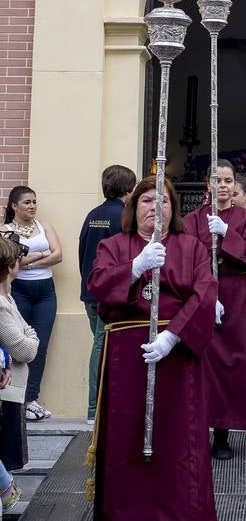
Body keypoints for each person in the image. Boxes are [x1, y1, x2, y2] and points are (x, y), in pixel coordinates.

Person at [87, 176, 218, 521]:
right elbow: (97, 284)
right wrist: (133, 267)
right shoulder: (113, 245)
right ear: (133, 208)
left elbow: (205, 293)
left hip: (174, 356)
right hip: (127, 358)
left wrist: (172, 336)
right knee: (130, 440)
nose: (154, 207)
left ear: (173, 209)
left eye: (162, 200)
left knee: (176, 439)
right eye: (146, 200)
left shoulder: (191, 247)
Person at [184, 160, 246, 460]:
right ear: (207, 184)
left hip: (238, 293)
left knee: (233, 363)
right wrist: (206, 292)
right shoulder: (193, 219)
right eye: (216, 180)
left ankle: (222, 433)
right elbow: (186, 256)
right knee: (201, 362)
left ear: (236, 186)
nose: (222, 185)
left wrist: (228, 234)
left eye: (228, 180)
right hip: (203, 293)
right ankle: (195, 430)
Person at [78, 164, 136, 424]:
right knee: (102, 347)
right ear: (129, 188)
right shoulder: (124, 216)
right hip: (110, 294)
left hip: (90, 291)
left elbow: (82, 253)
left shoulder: (93, 214)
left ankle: (101, 406)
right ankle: (94, 410)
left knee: (100, 345)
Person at [1, 186, 62, 421]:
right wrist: (39, 255)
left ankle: (31, 399)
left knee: (41, 345)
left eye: (34, 202)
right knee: (18, 344)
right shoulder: (4, 230)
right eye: (27, 202)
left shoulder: (44, 226)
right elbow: (9, 258)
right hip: (19, 292)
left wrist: (28, 261)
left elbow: (58, 255)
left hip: (46, 291)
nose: (32, 206)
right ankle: (15, 399)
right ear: (14, 206)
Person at [0, 236, 39, 492]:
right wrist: (30, 337)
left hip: (14, 393)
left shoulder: (9, 300)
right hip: (7, 395)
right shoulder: (2, 305)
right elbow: (25, 349)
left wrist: (29, 336)